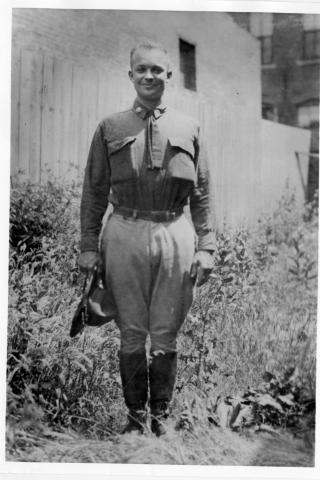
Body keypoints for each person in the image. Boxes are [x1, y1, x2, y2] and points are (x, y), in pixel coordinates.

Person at [78, 40, 215, 436]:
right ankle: (136, 420)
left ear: (169, 75)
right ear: (131, 75)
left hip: (176, 232)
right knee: (133, 331)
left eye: (157, 69)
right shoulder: (111, 127)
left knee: (166, 330)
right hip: (124, 232)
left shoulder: (189, 128)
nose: (150, 76)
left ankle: (163, 419)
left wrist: (207, 247)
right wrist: (89, 246)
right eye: (142, 69)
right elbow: (93, 191)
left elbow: (203, 193)